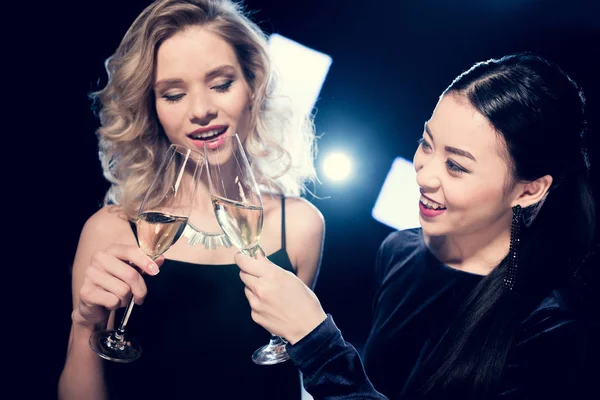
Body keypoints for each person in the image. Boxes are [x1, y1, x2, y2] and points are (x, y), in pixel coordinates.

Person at [235, 53, 600, 399]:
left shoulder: (554, 325)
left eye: (455, 166)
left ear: (529, 189)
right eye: (426, 144)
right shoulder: (399, 251)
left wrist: (316, 342)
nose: (424, 175)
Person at [58, 1, 325, 399]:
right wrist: (84, 326)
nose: (201, 110)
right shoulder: (108, 231)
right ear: (153, 109)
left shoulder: (301, 228)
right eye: (174, 94)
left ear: (252, 85)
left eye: (220, 84)